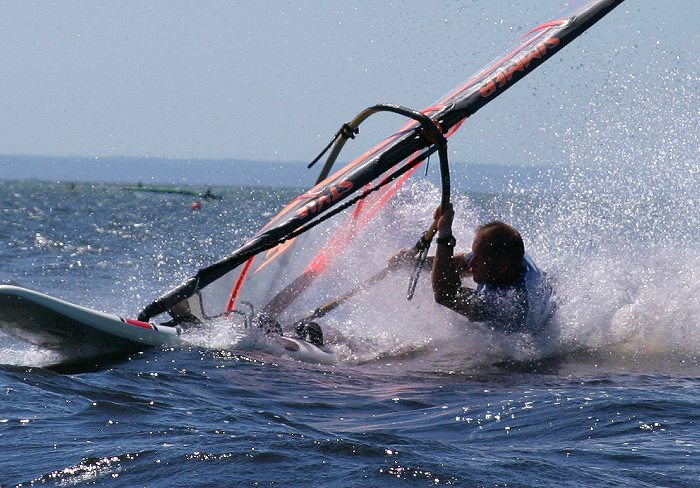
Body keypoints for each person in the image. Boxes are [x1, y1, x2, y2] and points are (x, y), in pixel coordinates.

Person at [430, 203, 553, 334]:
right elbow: (449, 264)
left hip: (530, 333)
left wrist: (445, 234)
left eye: (478, 259)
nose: (471, 263)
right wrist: (410, 260)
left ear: (502, 266)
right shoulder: (501, 256)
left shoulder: (510, 304)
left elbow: (445, 295)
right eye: (474, 254)